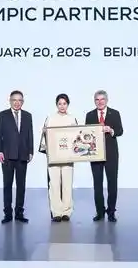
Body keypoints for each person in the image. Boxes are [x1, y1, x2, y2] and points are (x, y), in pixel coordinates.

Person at [0, 90, 33, 224]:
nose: (17, 103)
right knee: (7, 185)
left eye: (19, 100)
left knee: (21, 185)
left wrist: (31, 151)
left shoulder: (27, 116)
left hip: (22, 155)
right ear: (10, 101)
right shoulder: (3, 115)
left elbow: (30, 134)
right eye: (14, 100)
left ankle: (19, 213)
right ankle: (7, 213)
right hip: (7, 155)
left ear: (23, 102)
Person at [85, 90, 123, 222]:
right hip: (95, 154)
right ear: (94, 101)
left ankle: (111, 212)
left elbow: (120, 131)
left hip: (111, 154)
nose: (100, 102)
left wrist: (111, 130)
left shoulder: (115, 113)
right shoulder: (89, 115)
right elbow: (86, 134)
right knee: (97, 184)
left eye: (102, 99)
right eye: (97, 100)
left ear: (106, 100)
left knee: (112, 183)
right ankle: (100, 212)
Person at [41, 93, 78, 222]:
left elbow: (77, 137)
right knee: (54, 184)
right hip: (54, 156)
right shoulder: (50, 118)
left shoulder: (72, 119)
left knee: (67, 184)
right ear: (56, 105)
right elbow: (45, 137)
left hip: (68, 156)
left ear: (68, 104)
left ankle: (66, 211)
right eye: (60, 103)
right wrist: (44, 133)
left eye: (64, 103)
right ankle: (56, 212)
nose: (62, 106)